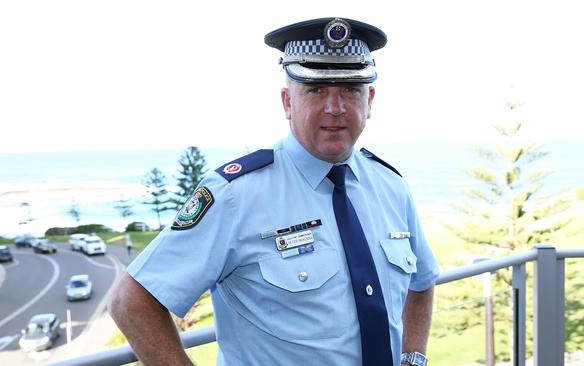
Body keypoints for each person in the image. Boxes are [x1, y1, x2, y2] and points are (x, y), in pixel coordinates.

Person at [108, 17, 439, 366]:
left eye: (350, 90)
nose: (335, 108)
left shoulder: (390, 186)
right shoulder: (236, 195)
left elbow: (423, 281)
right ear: (287, 102)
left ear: (369, 99)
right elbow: (131, 301)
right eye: (315, 90)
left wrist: (412, 356)